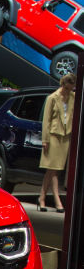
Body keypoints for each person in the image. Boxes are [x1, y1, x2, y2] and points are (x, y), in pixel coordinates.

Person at [37, 73, 76, 212]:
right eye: (67, 89)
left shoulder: (73, 97)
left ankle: (41, 197)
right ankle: (57, 200)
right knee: (53, 169)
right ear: (63, 85)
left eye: (71, 89)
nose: (68, 92)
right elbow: (46, 120)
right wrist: (45, 140)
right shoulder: (52, 98)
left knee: (53, 169)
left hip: (66, 136)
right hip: (53, 135)